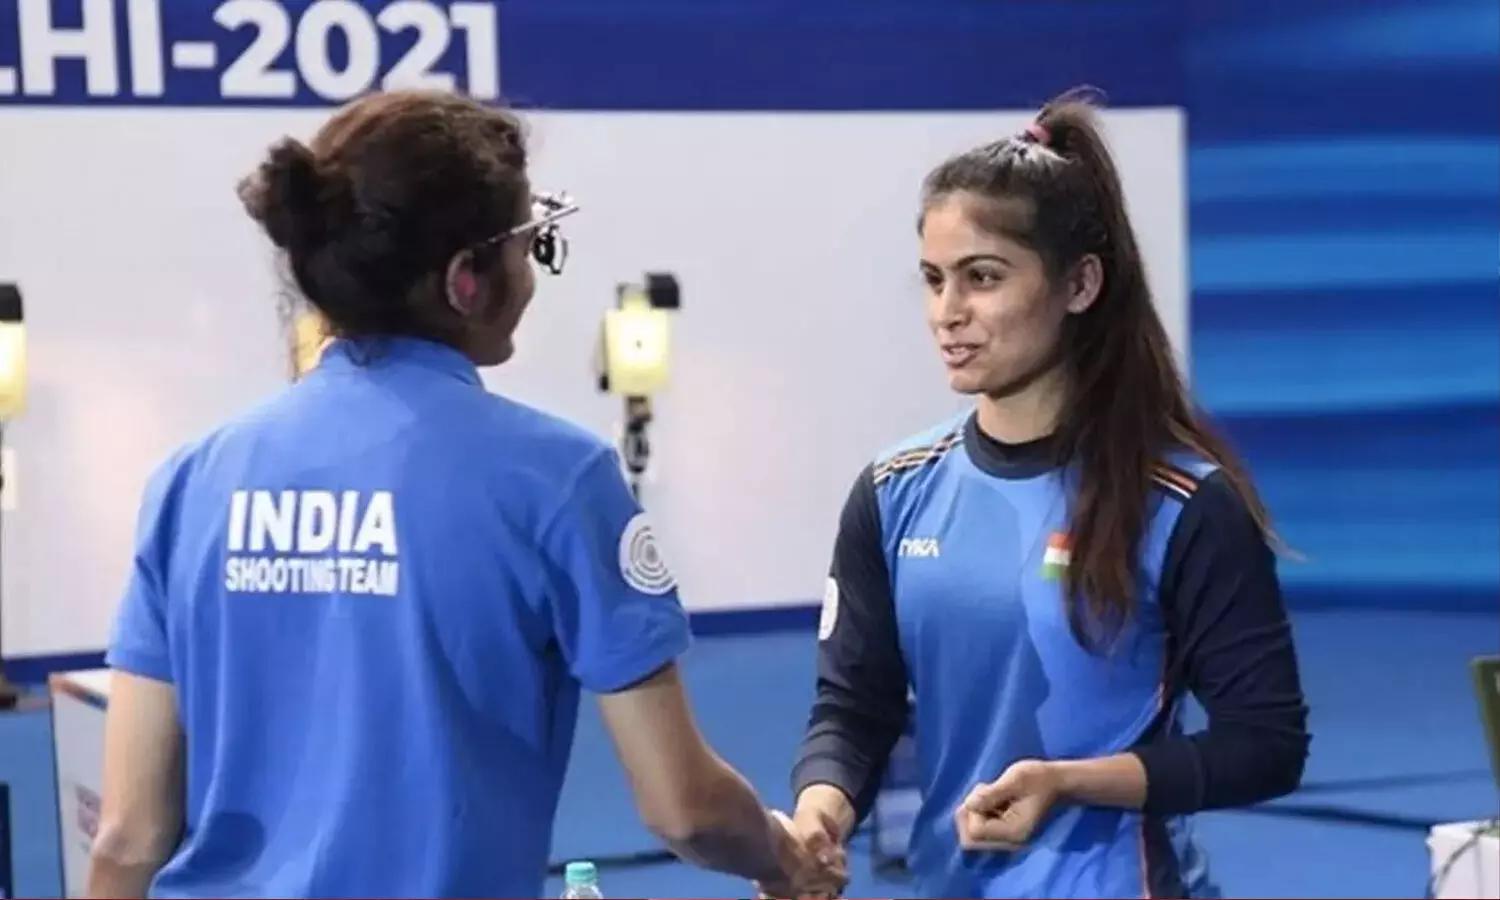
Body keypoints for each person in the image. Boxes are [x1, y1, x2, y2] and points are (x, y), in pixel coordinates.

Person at [86, 90, 843, 900]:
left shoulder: (191, 480)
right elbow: (684, 809)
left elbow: (129, 836)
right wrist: (781, 855)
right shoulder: (557, 480)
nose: (534, 272)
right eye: (530, 244)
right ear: (466, 280)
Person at [785, 90, 1311, 899]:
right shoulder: (893, 491)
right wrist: (820, 814)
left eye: (982, 278)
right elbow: (855, 705)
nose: (948, 314)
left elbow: (1266, 743)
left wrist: (1070, 782)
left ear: (1080, 285)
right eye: (933, 280)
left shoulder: (1182, 504)